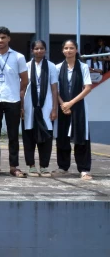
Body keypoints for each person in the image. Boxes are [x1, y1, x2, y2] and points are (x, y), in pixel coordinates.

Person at [0, 26, 28, 177]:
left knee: (13, 135)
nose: (0, 40)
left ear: (9, 38)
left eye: (3, 37)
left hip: (13, 100)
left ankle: (13, 166)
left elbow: (25, 80)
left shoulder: (18, 57)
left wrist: (18, 93)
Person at [52, 39, 93, 180]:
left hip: (79, 107)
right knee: (62, 137)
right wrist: (63, 104)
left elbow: (87, 88)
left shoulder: (83, 67)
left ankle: (84, 169)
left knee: (82, 137)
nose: (68, 50)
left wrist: (71, 103)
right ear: (62, 50)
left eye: (71, 48)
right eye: (66, 48)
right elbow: (55, 89)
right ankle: (63, 167)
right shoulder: (57, 68)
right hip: (62, 106)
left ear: (76, 50)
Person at [22, 40, 58, 178]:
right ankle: (31, 166)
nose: (39, 51)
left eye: (42, 48)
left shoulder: (51, 66)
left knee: (46, 135)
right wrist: (21, 107)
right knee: (29, 135)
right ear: (32, 51)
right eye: (36, 48)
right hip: (29, 105)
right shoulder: (26, 66)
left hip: (46, 105)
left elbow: (54, 89)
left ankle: (44, 166)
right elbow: (22, 88)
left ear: (45, 50)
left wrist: (54, 108)